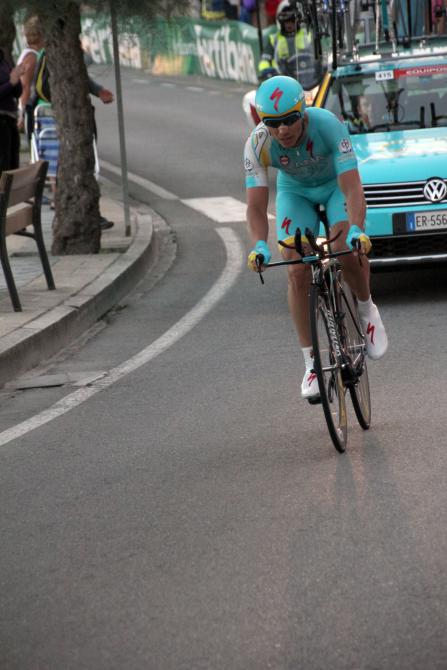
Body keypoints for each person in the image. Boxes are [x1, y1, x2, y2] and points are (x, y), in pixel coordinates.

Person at [244, 75, 388, 400]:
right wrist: (260, 245)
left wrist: (356, 227)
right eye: (273, 123)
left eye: (290, 119)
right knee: (296, 268)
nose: (282, 129)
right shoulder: (257, 144)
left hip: (334, 187)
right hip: (295, 193)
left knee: (343, 248)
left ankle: (367, 311)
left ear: (303, 113)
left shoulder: (328, 126)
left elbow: (352, 187)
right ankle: (311, 364)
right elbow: (255, 207)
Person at [258, 0, 312, 82]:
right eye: (286, 22)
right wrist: (267, 70)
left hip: (307, 77)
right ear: (281, 23)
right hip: (282, 79)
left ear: (297, 21)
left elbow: (319, 57)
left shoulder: (308, 35)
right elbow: (264, 61)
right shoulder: (274, 39)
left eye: (292, 21)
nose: (289, 25)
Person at [16, 16, 44, 134]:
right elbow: (25, 86)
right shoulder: (31, 58)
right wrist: (22, 115)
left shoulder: (30, 54)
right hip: (31, 108)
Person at [0, 48, 24, 175]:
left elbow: (17, 93)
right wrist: (10, 83)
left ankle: (11, 186)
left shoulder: (4, 61)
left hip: (10, 117)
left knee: (13, 161)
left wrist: (17, 78)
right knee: (4, 163)